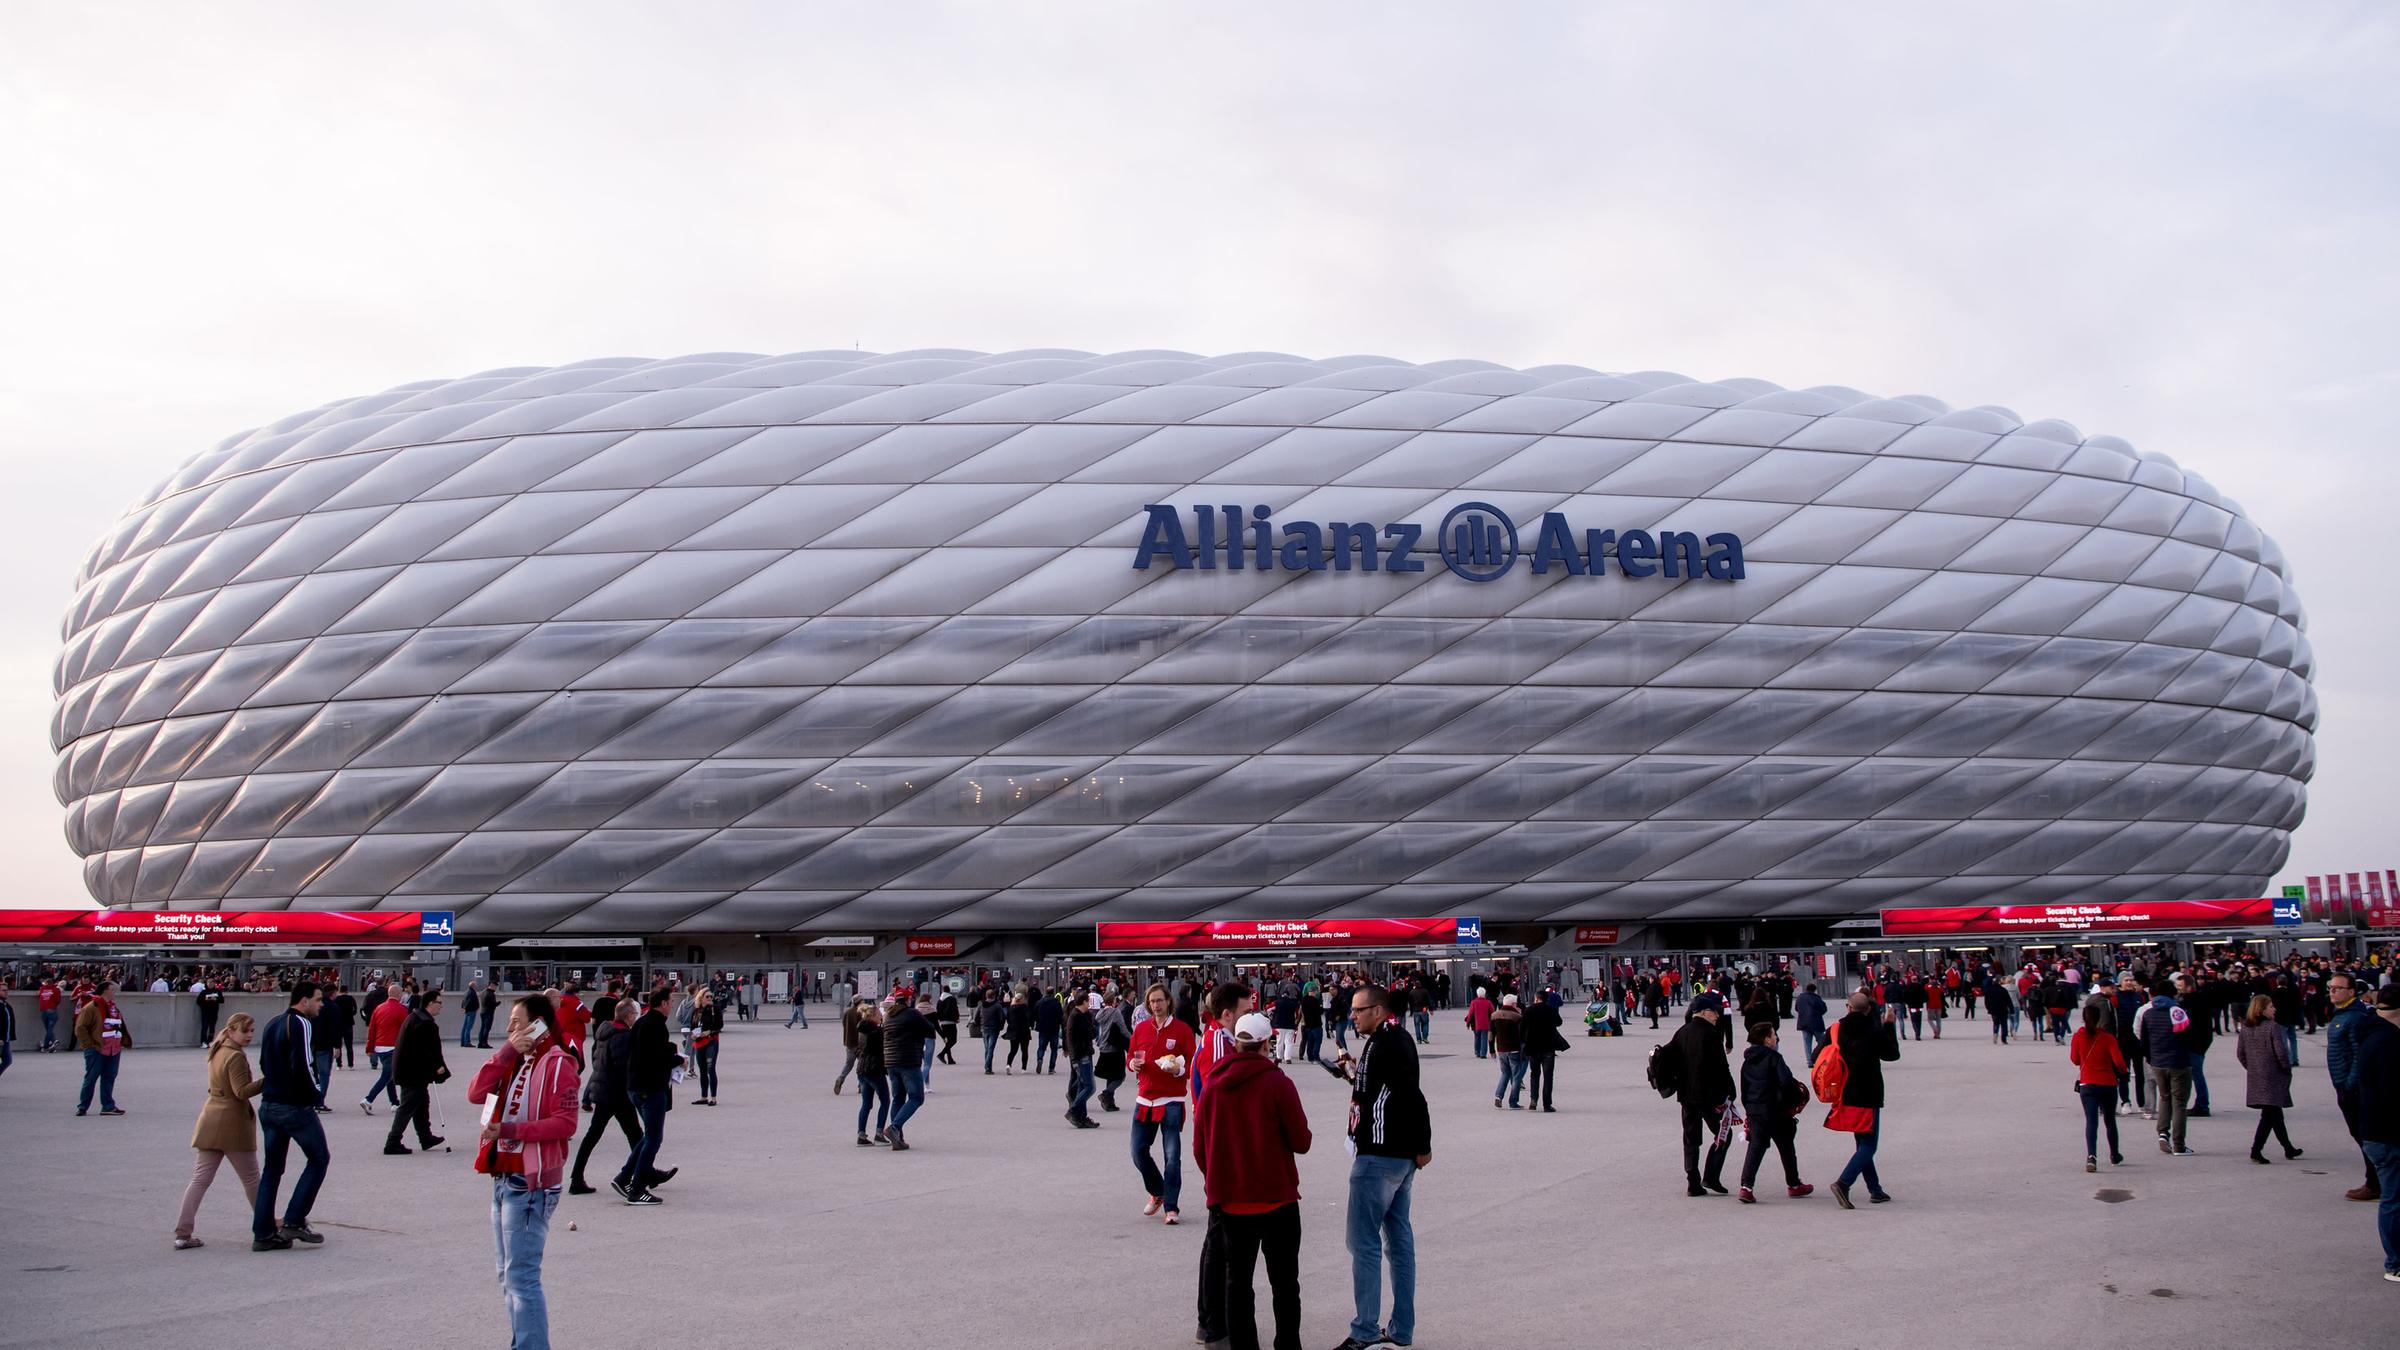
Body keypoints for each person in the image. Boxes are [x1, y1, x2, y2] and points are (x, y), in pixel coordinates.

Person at [467, 992, 581, 1350]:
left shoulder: (559, 1063)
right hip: (504, 1176)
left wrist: (511, 1130)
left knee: (522, 1277)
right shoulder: (516, 1061)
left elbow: (565, 1124)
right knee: (509, 1276)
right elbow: (475, 1092)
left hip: (531, 1183)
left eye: (516, 1022)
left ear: (538, 1024)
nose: (509, 1029)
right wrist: (506, 1052)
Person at [1192, 1011, 1310, 1350]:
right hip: (1278, 1199)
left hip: (1231, 1202)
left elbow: (1201, 1148)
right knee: (1285, 1283)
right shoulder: (1278, 1082)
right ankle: (1288, 1344)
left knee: (1238, 1283)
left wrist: (1217, 1180)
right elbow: (1301, 1142)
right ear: (1265, 1044)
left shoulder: (1213, 1084)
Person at [1332, 984, 1428, 1350]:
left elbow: (1411, 1096)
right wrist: (1352, 1074)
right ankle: (1401, 1328)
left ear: (1379, 1010)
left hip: (1379, 1155)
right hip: (1397, 1157)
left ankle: (1365, 1330)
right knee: (1399, 1241)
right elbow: (1381, 1089)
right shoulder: (1386, 1040)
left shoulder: (1389, 1042)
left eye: (1358, 1010)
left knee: (1364, 1243)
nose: (1352, 1016)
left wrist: (1424, 1144)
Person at [252, 983, 331, 1250]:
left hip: (269, 1105)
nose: (321, 1005)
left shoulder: (273, 1022)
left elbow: (264, 1063)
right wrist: (315, 1094)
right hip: (294, 1107)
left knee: (272, 1169)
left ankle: (263, 1233)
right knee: (319, 1158)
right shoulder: (301, 1024)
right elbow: (304, 1065)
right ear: (304, 1000)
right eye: (318, 1000)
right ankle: (294, 1220)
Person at [175, 1013, 264, 1249]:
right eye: (245, 1031)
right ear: (232, 1030)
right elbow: (241, 1091)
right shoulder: (235, 1056)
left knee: (200, 1179)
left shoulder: (218, 1050)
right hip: (232, 1122)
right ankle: (265, 1223)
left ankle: (183, 1231)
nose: (249, 1036)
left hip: (211, 1117)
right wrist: (269, 1080)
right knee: (252, 1179)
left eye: (252, 1031)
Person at [572, 999, 658, 1194]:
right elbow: (623, 1066)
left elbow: (598, 1060)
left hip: (604, 1091)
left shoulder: (605, 1031)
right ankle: (645, 1173)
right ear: (628, 1016)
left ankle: (576, 1177)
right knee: (636, 1135)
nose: (635, 1018)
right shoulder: (622, 1036)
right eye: (634, 1015)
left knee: (596, 1135)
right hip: (616, 1093)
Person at [1129, 982, 1195, 1224]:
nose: (1156, 1005)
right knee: (1137, 1152)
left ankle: (1172, 1207)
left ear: (1169, 1002)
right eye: (1152, 1001)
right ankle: (1158, 1191)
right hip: (1144, 1098)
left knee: (1172, 1156)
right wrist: (1132, 1064)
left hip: (1171, 1101)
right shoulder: (1141, 1029)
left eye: (1160, 1000)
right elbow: (1132, 1055)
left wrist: (1178, 1070)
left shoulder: (1182, 1031)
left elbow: (1191, 1063)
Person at [1830, 990, 1901, 1209]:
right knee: (1869, 1145)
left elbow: (1818, 1054)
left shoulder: (1837, 1028)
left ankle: (1875, 1189)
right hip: (1868, 1092)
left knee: (1862, 1142)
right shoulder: (1873, 1031)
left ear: (1848, 1007)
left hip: (1845, 1090)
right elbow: (1892, 1054)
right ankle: (1844, 1182)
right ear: (1868, 1009)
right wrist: (1889, 1025)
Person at [614, 988, 682, 1205]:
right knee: (654, 1139)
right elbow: (655, 1059)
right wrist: (677, 1059)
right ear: (662, 1003)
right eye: (670, 1001)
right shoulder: (656, 1026)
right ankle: (637, 1188)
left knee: (648, 1137)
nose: (671, 1005)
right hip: (650, 1088)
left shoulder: (642, 1022)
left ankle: (625, 1177)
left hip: (634, 1086)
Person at [2352, 985, 2400, 1282]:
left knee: (2393, 1198)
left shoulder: (2371, 1034)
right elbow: (2392, 1094)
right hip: (2388, 1133)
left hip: (2375, 1130)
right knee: (2394, 1199)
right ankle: (2395, 1262)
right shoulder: (2389, 1042)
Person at [1736, 1022, 1811, 1202]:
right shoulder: (1774, 1058)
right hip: (1776, 1110)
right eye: (1774, 1034)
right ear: (1766, 1039)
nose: (1776, 1037)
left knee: (1756, 1146)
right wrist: (1792, 1099)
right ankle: (1793, 1184)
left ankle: (1746, 1187)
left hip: (1755, 1110)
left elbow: (1744, 1089)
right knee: (1786, 1146)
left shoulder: (1747, 1062)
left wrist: (1750, 1108)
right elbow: (1786, 1082)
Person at [1670, 993, 1736, 1196]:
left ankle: (1693, 1182)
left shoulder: (1682, 1032)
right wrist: (1730, 1091)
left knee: (1691, 1138)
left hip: (1686, 1095)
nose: (1717, 1016)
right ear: (1705, 1012)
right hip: (1708, 1095)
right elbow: (1720, 1066)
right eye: (1715, 1012)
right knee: (1724, 1133)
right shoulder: (1711, 1033)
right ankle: (1711, 1175)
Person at [2328, 970, 2381, 1201]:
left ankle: (2375, 1183)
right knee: (2359, 1135)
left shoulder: (2356, 1017)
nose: (2332, 991)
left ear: (2351, 991)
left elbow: (2359, 1054)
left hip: (2353, 1088)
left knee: (2366, 1136)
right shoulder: (2341, 1014)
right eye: (2330, 987)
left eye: (2337, 988)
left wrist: (2349, 1085)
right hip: (2343, 1085)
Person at [2235, 992, 2302, 1164]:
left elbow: (2240, 1053)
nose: (2274, 1009)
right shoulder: (2273, 1027)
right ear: (2262, 1009)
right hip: (2273, 1076)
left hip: (2256, 1076)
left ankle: (2288, 1148)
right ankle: (2256, 1150)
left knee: (2274, 1113)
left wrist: (2252, 1068)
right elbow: (2281, 1052)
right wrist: (2286, 1068)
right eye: (2271, 1006)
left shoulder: (2246, 1027)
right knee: (2269, 1115)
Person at [384, 990, 451, 1154]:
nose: (441, 1007)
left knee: (421, 1103)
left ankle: (425, 1137)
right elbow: (430, 1050)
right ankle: (392, 1141)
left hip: (409, 1070)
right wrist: (438, 1067)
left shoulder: (415, 1017)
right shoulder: (425, 1023)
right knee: (408, 1106)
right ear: (430, 1004)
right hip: (413, 1073)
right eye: (439, 1003)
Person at [2136, 979, 2195, 1156]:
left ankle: (2163, 1133)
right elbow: (2187, 1037)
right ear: (2172, 993)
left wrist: (2151, 1058)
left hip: (2158, 1062)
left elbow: (2144, 1041)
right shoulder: (2178, 1011)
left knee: (2164, 1097)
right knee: (2179, 1103)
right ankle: (2179, 1144)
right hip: (2178, 1062)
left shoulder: (2148, 1013)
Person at [2070, 996, 2129, 1172]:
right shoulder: (2108, 1037)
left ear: (2083, 1018)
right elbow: (2118, 1061)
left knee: (2091, 1121)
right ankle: (2114, 1154)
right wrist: (2124, 1073)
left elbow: (2074, 1060)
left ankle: (2091, 1156)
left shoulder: (2078, 1037)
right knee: (2110, 1120)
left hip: (2087, 1084)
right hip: (2108, 1083)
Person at [883, 994, 939, 1150]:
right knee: (916, 1097)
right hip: (908, 1060)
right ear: (908, 1001)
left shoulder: (888, 1015)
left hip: (891, 1062)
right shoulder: (912, 1014)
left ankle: (898, 1138)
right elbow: (930, 1030)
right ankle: (894, 1128)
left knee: (898, 1098)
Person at [73, 979, 131, 1116]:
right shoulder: (91, 1007)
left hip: (114, 1048)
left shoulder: (113, 1007)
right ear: (105, 990)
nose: (114, 992)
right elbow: (80, 1028)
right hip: (97, 1049)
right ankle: (83, 1106)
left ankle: (108, 1106)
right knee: (91, 1078)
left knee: (109, 1077)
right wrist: (90, 1045)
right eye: (112, 989)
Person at [360, 981, 407, 1114]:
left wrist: (369, 1048)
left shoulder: (379, 1008)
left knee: (389, 1075)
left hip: (380, 1047)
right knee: (387, 1075)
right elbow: (406, 1030)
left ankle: (394, 1102)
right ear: (398, 994)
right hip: (393, 1047)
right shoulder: (401, 1009)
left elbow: (372, 1029)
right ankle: (368, 1099)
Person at [1523, 988, 1566, 1113]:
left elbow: (1522, 1027)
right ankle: (1547, 1104)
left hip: (1533, 1047)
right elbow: (1559, 1022)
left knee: (1534, 1074)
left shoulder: (1529, 1010)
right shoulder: (1551, 1010)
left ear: (1536, 998)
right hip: (1548, 1047)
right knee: (1548, 1076)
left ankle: (1533, 1100)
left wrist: (1523, 1042)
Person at [853, 1002, 890, 1145]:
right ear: (873, 1016)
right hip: (874, 1070)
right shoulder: (876, 1032)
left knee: (866, 1103)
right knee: (885, 1101)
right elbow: (882, 1050)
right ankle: (879, 1133)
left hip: (862, 1070)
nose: (881, 1017)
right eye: (879, 1015)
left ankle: (861, 1135)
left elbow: (858, 1050)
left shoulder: (862, 1030)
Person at [1064, 993, 1099, 1128]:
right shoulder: (1076, 1017)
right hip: (1080, 1055)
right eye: (1088, 1001)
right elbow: (1089, 1033)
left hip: (1084, 1053)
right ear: (1084, 1002)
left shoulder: (1082, 1015)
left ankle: (1081, 1117)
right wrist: (1073, 1057)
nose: (1089, 1004)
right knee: (1090, 1087)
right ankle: (1073, 1111)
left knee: (1082, 1086)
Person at [1095, 987, 1131, 1111]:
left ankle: (1109, 1103)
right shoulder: (1115, 1012)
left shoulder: (1100, 1013)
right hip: (1115, 1048)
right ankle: (1106, 1093)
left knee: (1110, 1076)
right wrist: (1133, 1039)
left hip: (1104, 1047)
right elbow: (1123, 1029)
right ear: (1114, 1000)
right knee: (1120, 1076)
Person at [1490, 993, 1527, 1109]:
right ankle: (1513, 1101)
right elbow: (1522, 1035)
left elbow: (1491, 1034)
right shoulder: (1517, 1017)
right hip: (1514, 1049)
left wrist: (1491, 1049)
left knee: (1505, 1073)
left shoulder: (1494, 1015)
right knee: (1516, 1076)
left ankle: (1498, 1096)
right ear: (1513, 1004)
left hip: (1501, 1049)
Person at [689, 986, 724, 1106]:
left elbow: (720, 1025)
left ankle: (713, 1097)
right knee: (702, 1070)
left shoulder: (715, 1009)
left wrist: (709, 1031)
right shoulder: (696, 1011)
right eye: (707, 996)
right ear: (701, 998)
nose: (710, 998)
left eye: (711, 996)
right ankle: (703, 1096)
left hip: (711, 1040)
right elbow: (692, 1026)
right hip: (699, 1042)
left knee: (710, 1068)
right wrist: (693, 1035)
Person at [1794, 982, 1829, 1065]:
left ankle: (1809, 1061)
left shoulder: (1800, 997)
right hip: (1816, 1023)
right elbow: (1824, 1008)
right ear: (1814, 990)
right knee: (1822, 1041)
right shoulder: (1816, 998)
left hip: (1803, 1023)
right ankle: (1820, 1057)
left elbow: (1796, 1008)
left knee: (1807, 1043)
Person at [1034, 987, 1064, 1075]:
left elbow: (1034, 1013)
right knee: (1054, 1049)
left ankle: (1040, 1059)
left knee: (1041, 1047)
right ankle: (1051, 1068)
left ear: (1045, 992)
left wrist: (1037, 1022)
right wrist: (1060, 1024)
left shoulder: (1040, 1002)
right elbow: (1060, 1015)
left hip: (1042, 1028)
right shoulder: (1056, 1003)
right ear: (1053, 992)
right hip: (1054, 1028)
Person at [1005, 990, 1035, 1074]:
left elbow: (1008, 1019)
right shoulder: (1024, 1008)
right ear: (1022, 999)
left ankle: (1008, 1064)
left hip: (1013, 1031)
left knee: (1013, 1050)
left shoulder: (1011, 1008)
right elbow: (1029, 1018)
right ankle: (1023, 1068)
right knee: (1024, 1050)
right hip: (1024, 1032)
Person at [1463, 987, 1493, 1059]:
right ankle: (1483, 1054)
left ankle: (1477, 1052)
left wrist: (1468, 1023)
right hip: (1486, 1024)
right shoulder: (1488, 1002)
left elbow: (1470, 1014)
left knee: (1477, 1038)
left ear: (1477, 994)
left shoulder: (1474, 1002)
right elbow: (1493, 1012)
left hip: (1476, 1024)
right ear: (1484, 994)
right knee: (1484, 1038)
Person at [195, 980, 223, 1046]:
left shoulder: (218, 991)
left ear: (214, 984)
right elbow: (198, 1001)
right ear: (207, 984)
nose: (210, 984)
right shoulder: (203, 992)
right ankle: (203, 1042)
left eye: (212, 983)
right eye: (209, 983)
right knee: (204, 1027)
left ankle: (210, 1041)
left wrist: (216, 999)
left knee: (212, 1028)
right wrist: (206, 1000)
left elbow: (222, 1000)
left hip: (214, 1012)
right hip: (205, 1012)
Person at [461, 980, 483, 1047]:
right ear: (473, 985)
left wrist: (463, 1008)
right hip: (471, 1011)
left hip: (468, 1011)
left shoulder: (466, 992)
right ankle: (467, 1042)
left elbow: (464, 1001)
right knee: (468, 1027)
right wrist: (475, 1008)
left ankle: (463, 1042)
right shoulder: (472, 993)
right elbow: (470, 1002)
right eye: (475, 985)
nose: (476, 986)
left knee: (465, 1027)